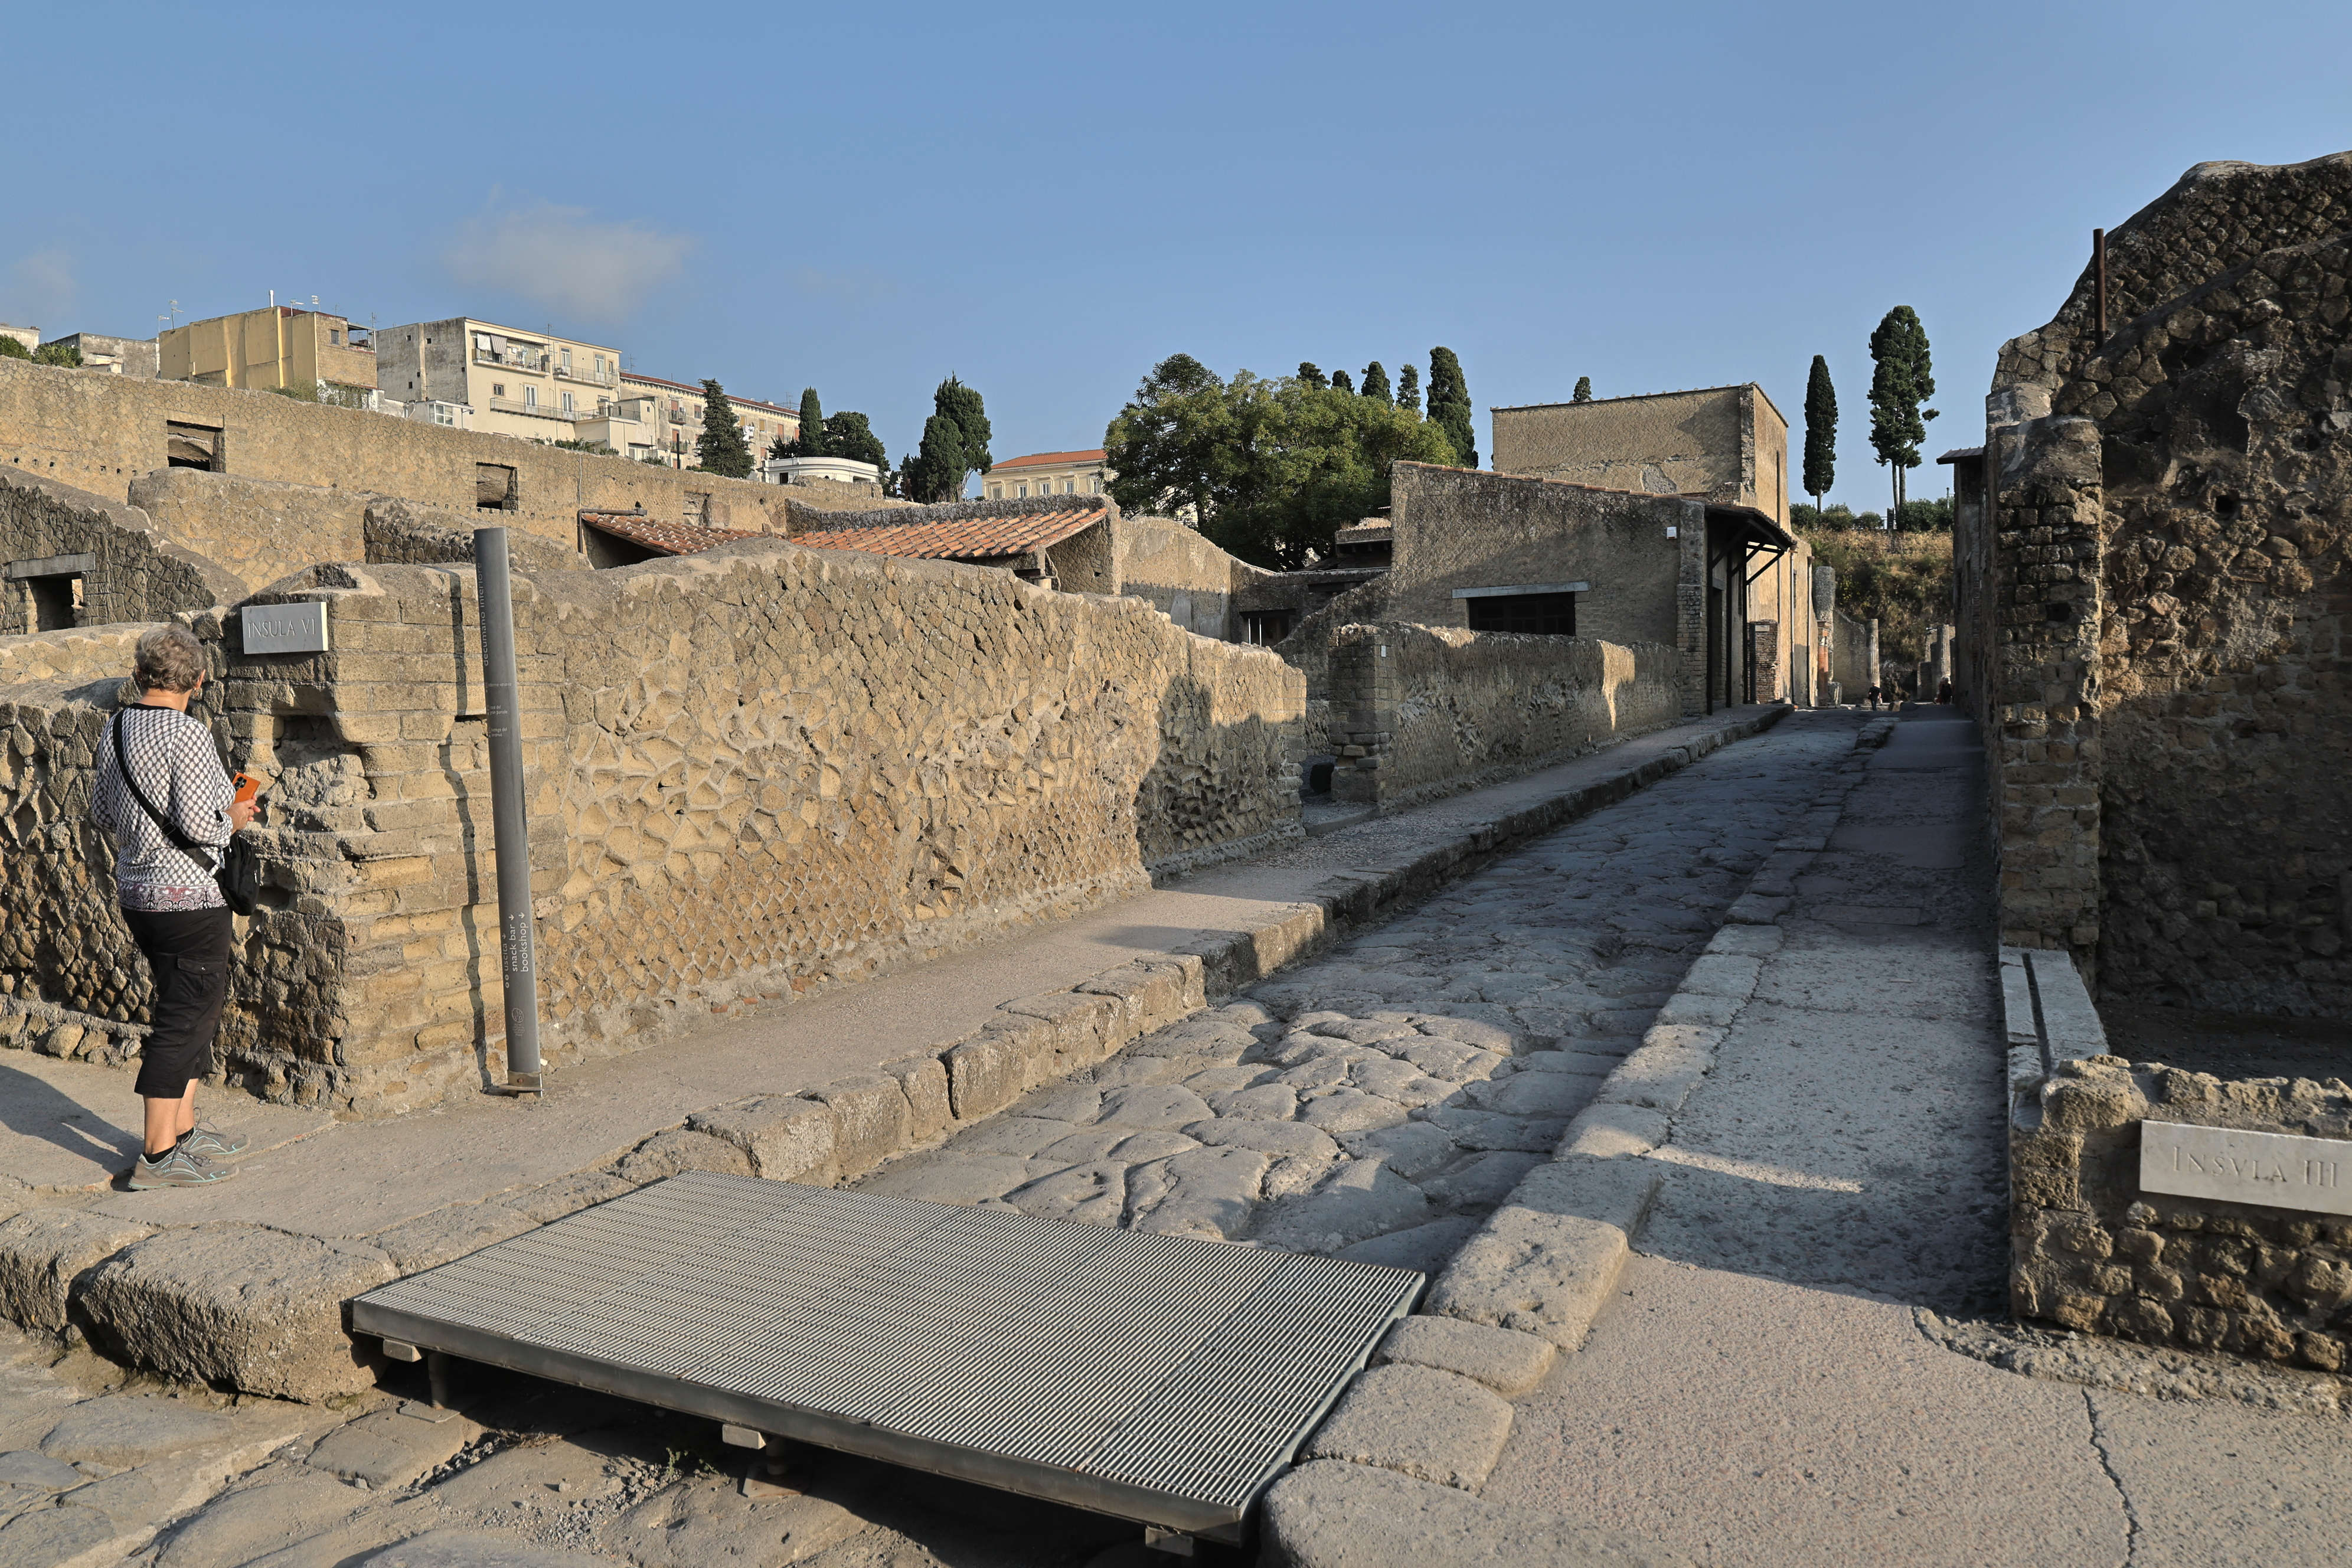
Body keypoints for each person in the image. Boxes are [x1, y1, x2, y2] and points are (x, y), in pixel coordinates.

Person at [90, 626, 260, 1190]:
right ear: (199, 680)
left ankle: (182, 1132)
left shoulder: (116, 727)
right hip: (189, 900)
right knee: (184, 1020)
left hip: (139, 895)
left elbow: (103, 813)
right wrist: (235, 817)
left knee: (190, 1011)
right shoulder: (187, 733)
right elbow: (199, 825)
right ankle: (158, 1155)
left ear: (140, 674)